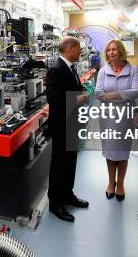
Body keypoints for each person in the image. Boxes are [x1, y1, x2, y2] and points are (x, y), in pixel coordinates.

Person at [46, 36, 90, 222]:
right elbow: (53, 99)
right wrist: (77, 99)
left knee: (71, 162)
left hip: (72, 123)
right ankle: (55, 203)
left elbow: (74, 88)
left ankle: (67, 194)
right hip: (61, 125)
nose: (81, 51)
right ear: (70, 48)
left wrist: (81, 92)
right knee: (59, 165)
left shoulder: (71, 68)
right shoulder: (56, 69)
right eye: (79, 48)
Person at [95, 39, 138, 201]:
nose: (111, 52)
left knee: (122, 151)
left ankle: (120, 184)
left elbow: (136, 91)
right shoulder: (103, 71)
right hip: (107, 115)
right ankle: (110, 182)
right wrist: (123, 95)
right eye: (109, 50)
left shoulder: (133, 70)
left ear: (121, 51)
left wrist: (112, 95)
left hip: (126, 116)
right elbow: (98, 94)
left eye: (114, 49)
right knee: (109, 150)